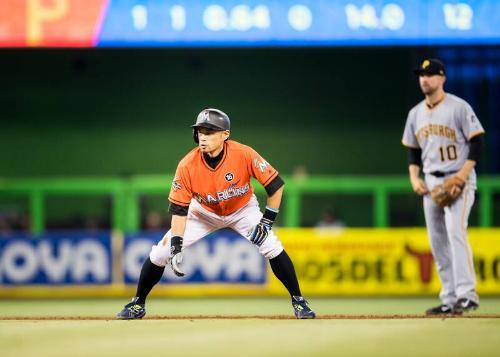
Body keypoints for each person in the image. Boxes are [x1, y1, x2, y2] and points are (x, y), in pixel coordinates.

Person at [117, 108, 315, 319]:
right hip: (203, 212)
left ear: (225, 135)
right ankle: (137, 303)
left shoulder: (244, 153)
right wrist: (176, 245)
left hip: (242, 209)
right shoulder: (187, 165)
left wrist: (267, 222)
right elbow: (179, 210)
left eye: (210, 131)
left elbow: (276, 186)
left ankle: (299, 301)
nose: (203, 136)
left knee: (271, 246)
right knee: (161, 253)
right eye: (200, 131)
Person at [402, 59, 485, 315]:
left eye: (429, 74)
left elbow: (477, 141)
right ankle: (449, 299)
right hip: (432, 181)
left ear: (442, 78)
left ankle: (467, 295)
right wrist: (415, 179)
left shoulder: (458, 107)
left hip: (459, 179)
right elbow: (413, 153)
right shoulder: (415, 113)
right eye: (421, 75)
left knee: (455, 231)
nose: (424, 79)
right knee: (437, 241)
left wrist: (461, 176)